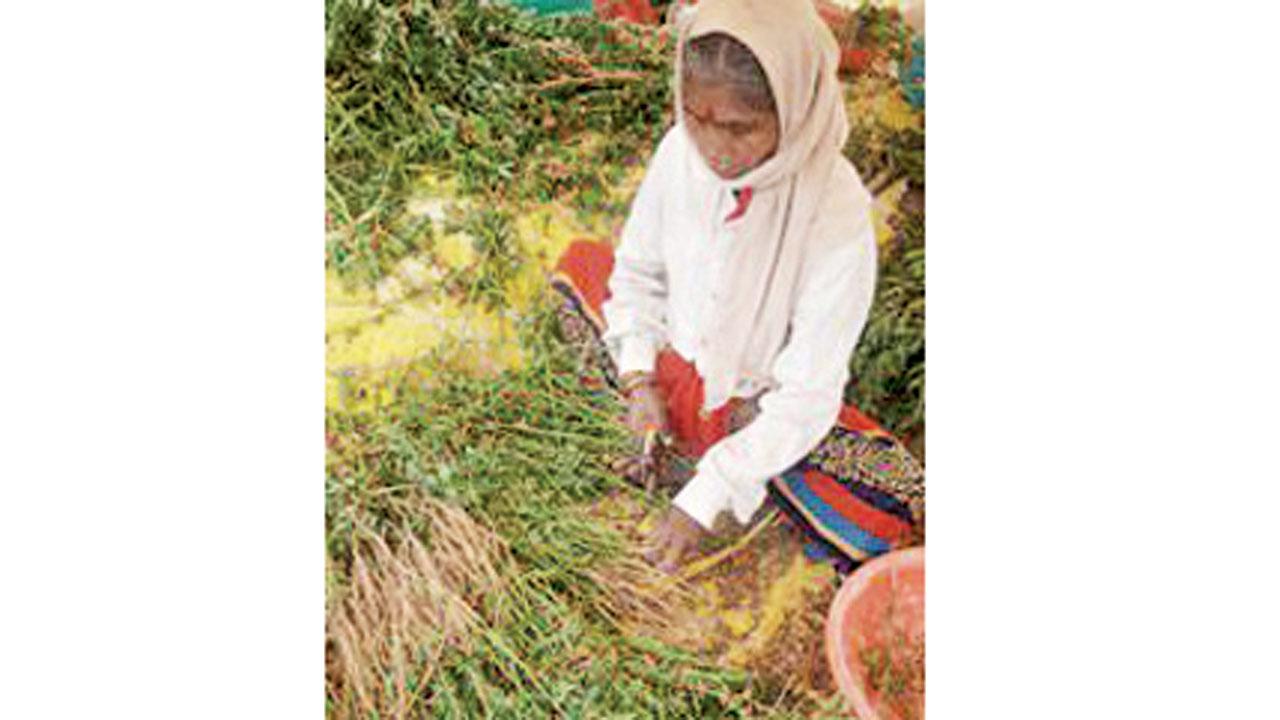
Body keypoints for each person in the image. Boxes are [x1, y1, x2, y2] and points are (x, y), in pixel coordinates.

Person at [552, 0, 924, 575]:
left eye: (739, 128)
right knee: (577, 272)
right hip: (680, 367)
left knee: (893, 499)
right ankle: (668, 434)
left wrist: (706, 497)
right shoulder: (682, 151)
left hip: (756, 409)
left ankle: (710, 462)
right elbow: (638, 275)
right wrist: (639, 379)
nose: (714, 148)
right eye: (697, 117)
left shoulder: (834, 208)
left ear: (793, 111)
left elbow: (807, 394)